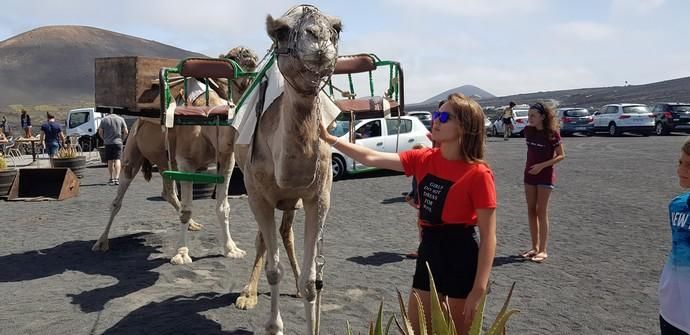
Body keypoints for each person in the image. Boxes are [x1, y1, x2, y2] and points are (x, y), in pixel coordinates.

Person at [320, 93, 496, 334]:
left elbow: (488, 236)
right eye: (436, 114)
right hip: (430, 249)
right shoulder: (423, 158)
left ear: (465, 126)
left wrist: (479, 287)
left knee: (457, 330)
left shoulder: (479, 174)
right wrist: (330, 139)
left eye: (445, 116)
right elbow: (371, 156)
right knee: (417, 327)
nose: (436, 120)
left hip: (462, 253)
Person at [519, 102, 565, 263]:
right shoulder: (528, 131)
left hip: (545, 176)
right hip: (529, 175)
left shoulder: (552, 134)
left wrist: (541, 166)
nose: (529, 118)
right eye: (529, 115)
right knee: (531, 210)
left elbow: (561, 155)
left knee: (541, 211)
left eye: (533, 116)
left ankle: (543, 250)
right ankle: (534, 247)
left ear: (543, 117)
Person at [659, 138, 690, 335]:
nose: (681, 169)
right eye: (681, 162)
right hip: (671, 310)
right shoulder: (677, 205)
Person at [404, 143, 427, 259]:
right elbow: (416, 185)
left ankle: (422, 250)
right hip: (421, 202)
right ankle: (422, 249)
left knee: (422, 225)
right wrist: (411, 194)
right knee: (420, 224)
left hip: (425, 204)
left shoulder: (423, 169)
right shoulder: (418, 169)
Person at [98, 111, 128, 185]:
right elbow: (126, 132)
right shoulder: (121, 119)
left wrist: (104, 139)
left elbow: (100, 132)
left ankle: (111, 178)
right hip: (118, 142)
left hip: (108, 143)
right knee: (117, 160)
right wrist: (122, 139)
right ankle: (117, 178)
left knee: (110, 161)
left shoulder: (104, 120)